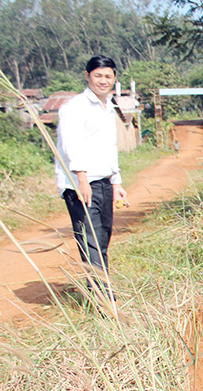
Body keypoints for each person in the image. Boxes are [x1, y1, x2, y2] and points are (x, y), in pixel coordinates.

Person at [55, 55, 127, 290]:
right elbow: (70, 147)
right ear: (87, 76)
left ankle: (99, 289)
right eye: (98, 76)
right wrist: (82, 181)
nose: (103, 81)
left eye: (108, 76)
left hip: (104, 182)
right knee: (91, 241)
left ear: (114, 78)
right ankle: (105, 301)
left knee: (102, 238)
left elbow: (110, 147)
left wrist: (116, 183)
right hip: (81, 185)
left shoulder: (109, 107)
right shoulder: (75, 107)